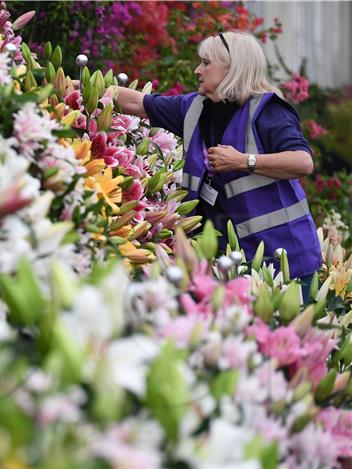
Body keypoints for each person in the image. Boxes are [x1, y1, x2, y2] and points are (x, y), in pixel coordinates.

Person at [114, 31, 321, 303]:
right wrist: (75, 89)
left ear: (232, 68)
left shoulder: (269, 111)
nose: (198, 70)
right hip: (227, 262)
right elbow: (136, 103)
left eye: (206, 63)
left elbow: (303, 162)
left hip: (285, 260)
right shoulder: (194, 107)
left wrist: (242, 161)